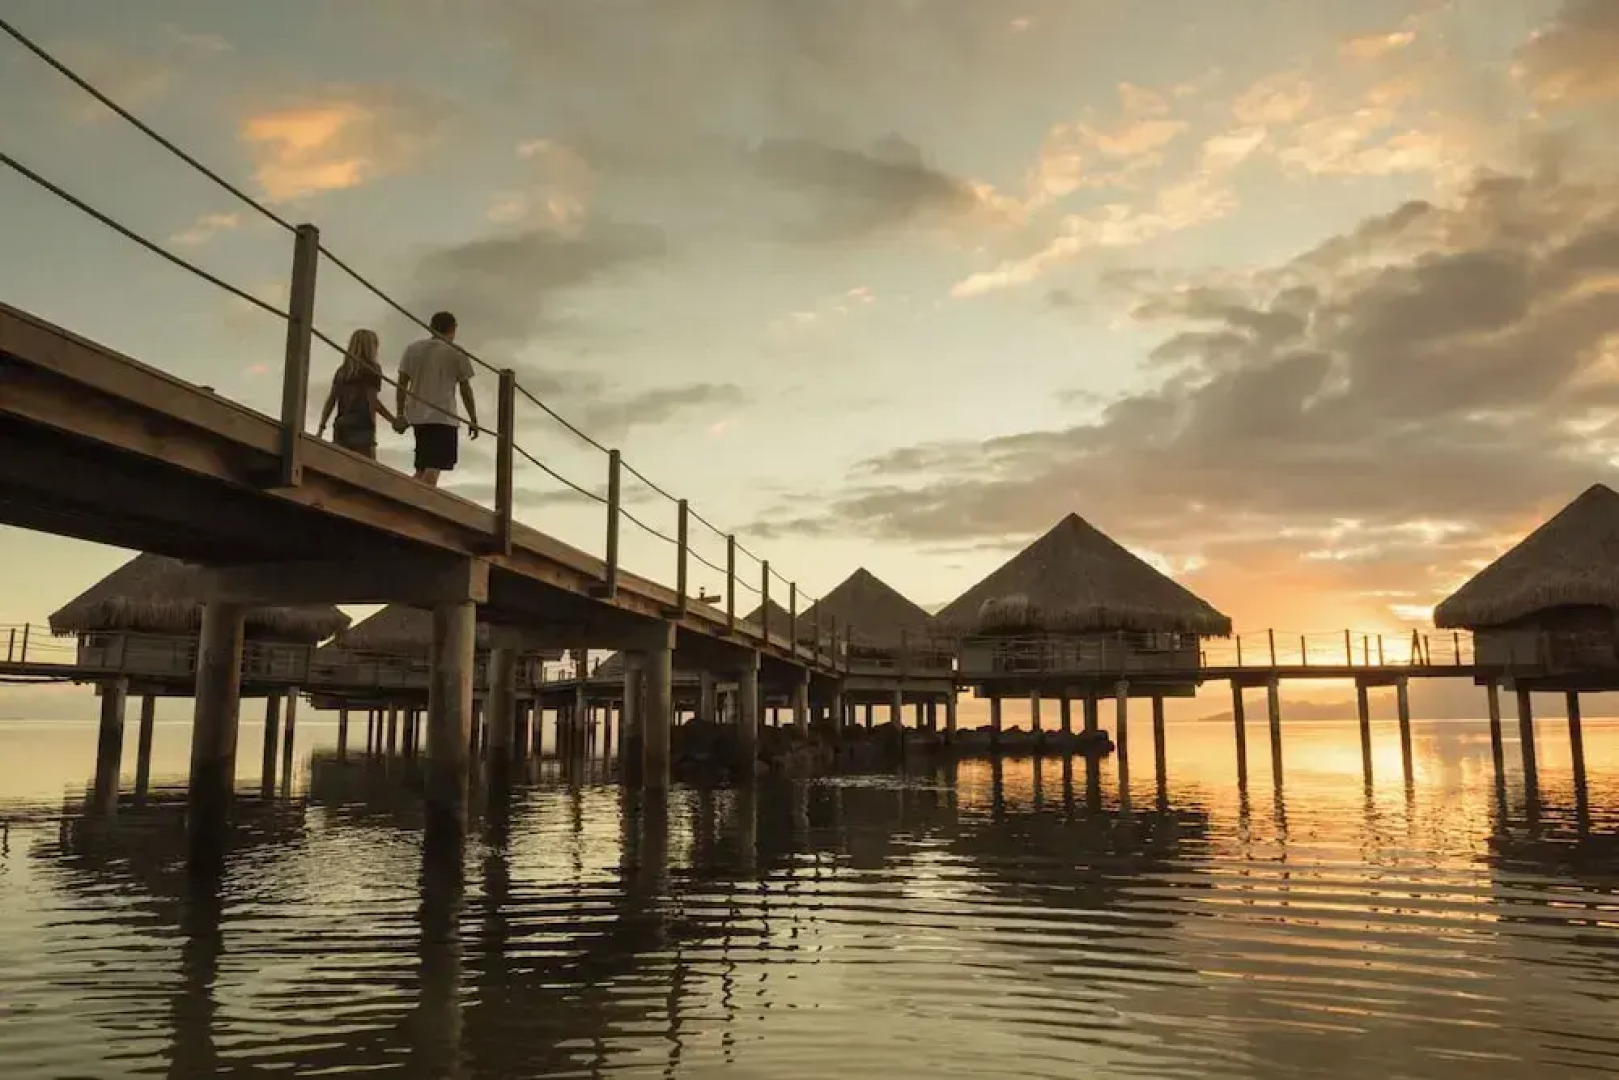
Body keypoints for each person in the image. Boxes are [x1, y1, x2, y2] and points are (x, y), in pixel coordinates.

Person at [393, 311, 479, 487]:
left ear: (431, 327)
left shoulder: (412, 349)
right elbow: (465, 389)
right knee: (433, 469)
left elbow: (402, 384)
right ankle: (416, 503)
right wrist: (473, 419)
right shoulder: (457, 352)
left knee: (423, 468)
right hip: (443, 417)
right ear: (453, 328)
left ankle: (407, 493)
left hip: (417, 416)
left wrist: (400, 413)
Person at [315, 328, 394, 459]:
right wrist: (392, 420)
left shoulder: (342, 371)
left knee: (341, 467)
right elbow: (372, 401)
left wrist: (321, 428)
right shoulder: (372, 369)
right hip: (362, 426)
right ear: (370, 347)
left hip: (341, 425)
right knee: (366, 471)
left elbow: (331, 400)